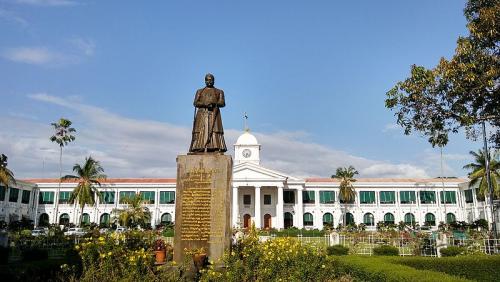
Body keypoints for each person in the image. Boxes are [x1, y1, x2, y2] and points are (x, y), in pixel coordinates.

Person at [189, 74, 227, 153]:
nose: (209, 81)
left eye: (211, 80)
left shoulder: (219, 91)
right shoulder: (199, 91)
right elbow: (195, 103)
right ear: (205, 81)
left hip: (214, 113)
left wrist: (214, 103)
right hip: (202, 113)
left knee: (215, 130)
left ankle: (216, 147)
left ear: (214, 81)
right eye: (207, 80)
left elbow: (222, 103)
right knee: (200, 130)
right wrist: (205, 103)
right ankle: (199, 147)